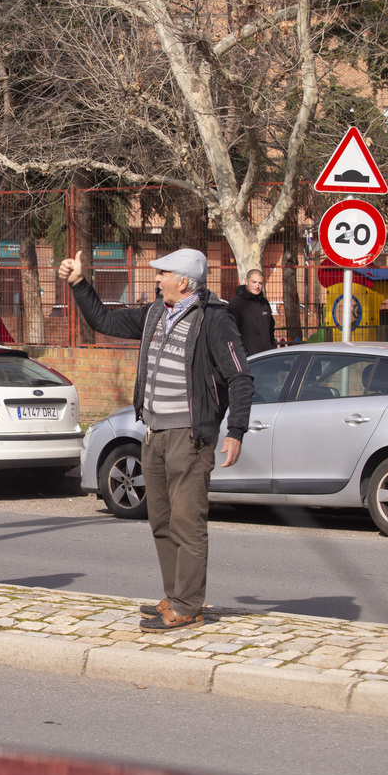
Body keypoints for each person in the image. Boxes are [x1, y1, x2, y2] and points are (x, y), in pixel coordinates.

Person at [58, 247, 253, 632]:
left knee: (187, 521)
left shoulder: (214, 319)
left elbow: (241, 377)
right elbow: (103, 322)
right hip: (153, 432)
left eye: (163, 273)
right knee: (161, 520)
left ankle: (189, 604)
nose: (157, 278)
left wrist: (236, 431)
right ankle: (175, 595)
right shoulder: (153, 315)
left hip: (190, 436)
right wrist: (79, 283)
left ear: (183, 281)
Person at [227, 269, 277, 355]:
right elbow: (231, 333)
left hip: (268, 357)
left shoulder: (264, 303)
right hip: (249, 360)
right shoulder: (236, 303)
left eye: (260, 283)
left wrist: (272, 348)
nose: (257, 286)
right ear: (246, 281)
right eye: (254, 282)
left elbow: (271, 329)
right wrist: (244, 354)